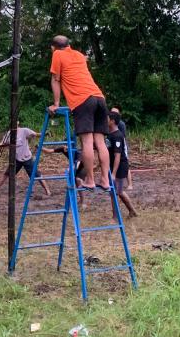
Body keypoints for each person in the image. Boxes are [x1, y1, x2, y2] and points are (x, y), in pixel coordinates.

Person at [48, 35, 110, 191]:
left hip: (83, 100)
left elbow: (56, 79)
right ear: (69, 45)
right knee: (100, 143)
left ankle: (89, 179)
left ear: (53, 47)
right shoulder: (78, 55)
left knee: (87, 142)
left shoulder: (57, 54)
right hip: (99, 98)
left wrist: (56, 104)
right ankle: (105, 180)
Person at [0, 124, 52, 197]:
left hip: (27, 158)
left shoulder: (24, 131)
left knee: (36, 174)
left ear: (18, 122)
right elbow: (2, 143)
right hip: (16, 159)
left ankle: (47, 190)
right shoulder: (9, 133)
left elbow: (35, 134)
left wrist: (45, 134)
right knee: (7, 174)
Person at [106, 112, 137, 219]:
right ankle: (119, 214)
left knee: (117, 192)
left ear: (112, 121)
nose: (105, 120)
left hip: (120, 166)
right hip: (112, 166)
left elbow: (118, 156)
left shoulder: (118, 136)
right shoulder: (109, 135)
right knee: (114, 192)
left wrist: (113, 173)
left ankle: (128, 212)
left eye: (107, 118)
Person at [110, 106, 132, 190]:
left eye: (115, 112)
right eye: (111, 112)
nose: (112, 114)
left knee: (125, 163)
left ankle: (130, 184)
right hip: (114, 144)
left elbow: (121, 137)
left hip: (121, 145)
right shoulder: (108, 123)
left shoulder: (121, 124)